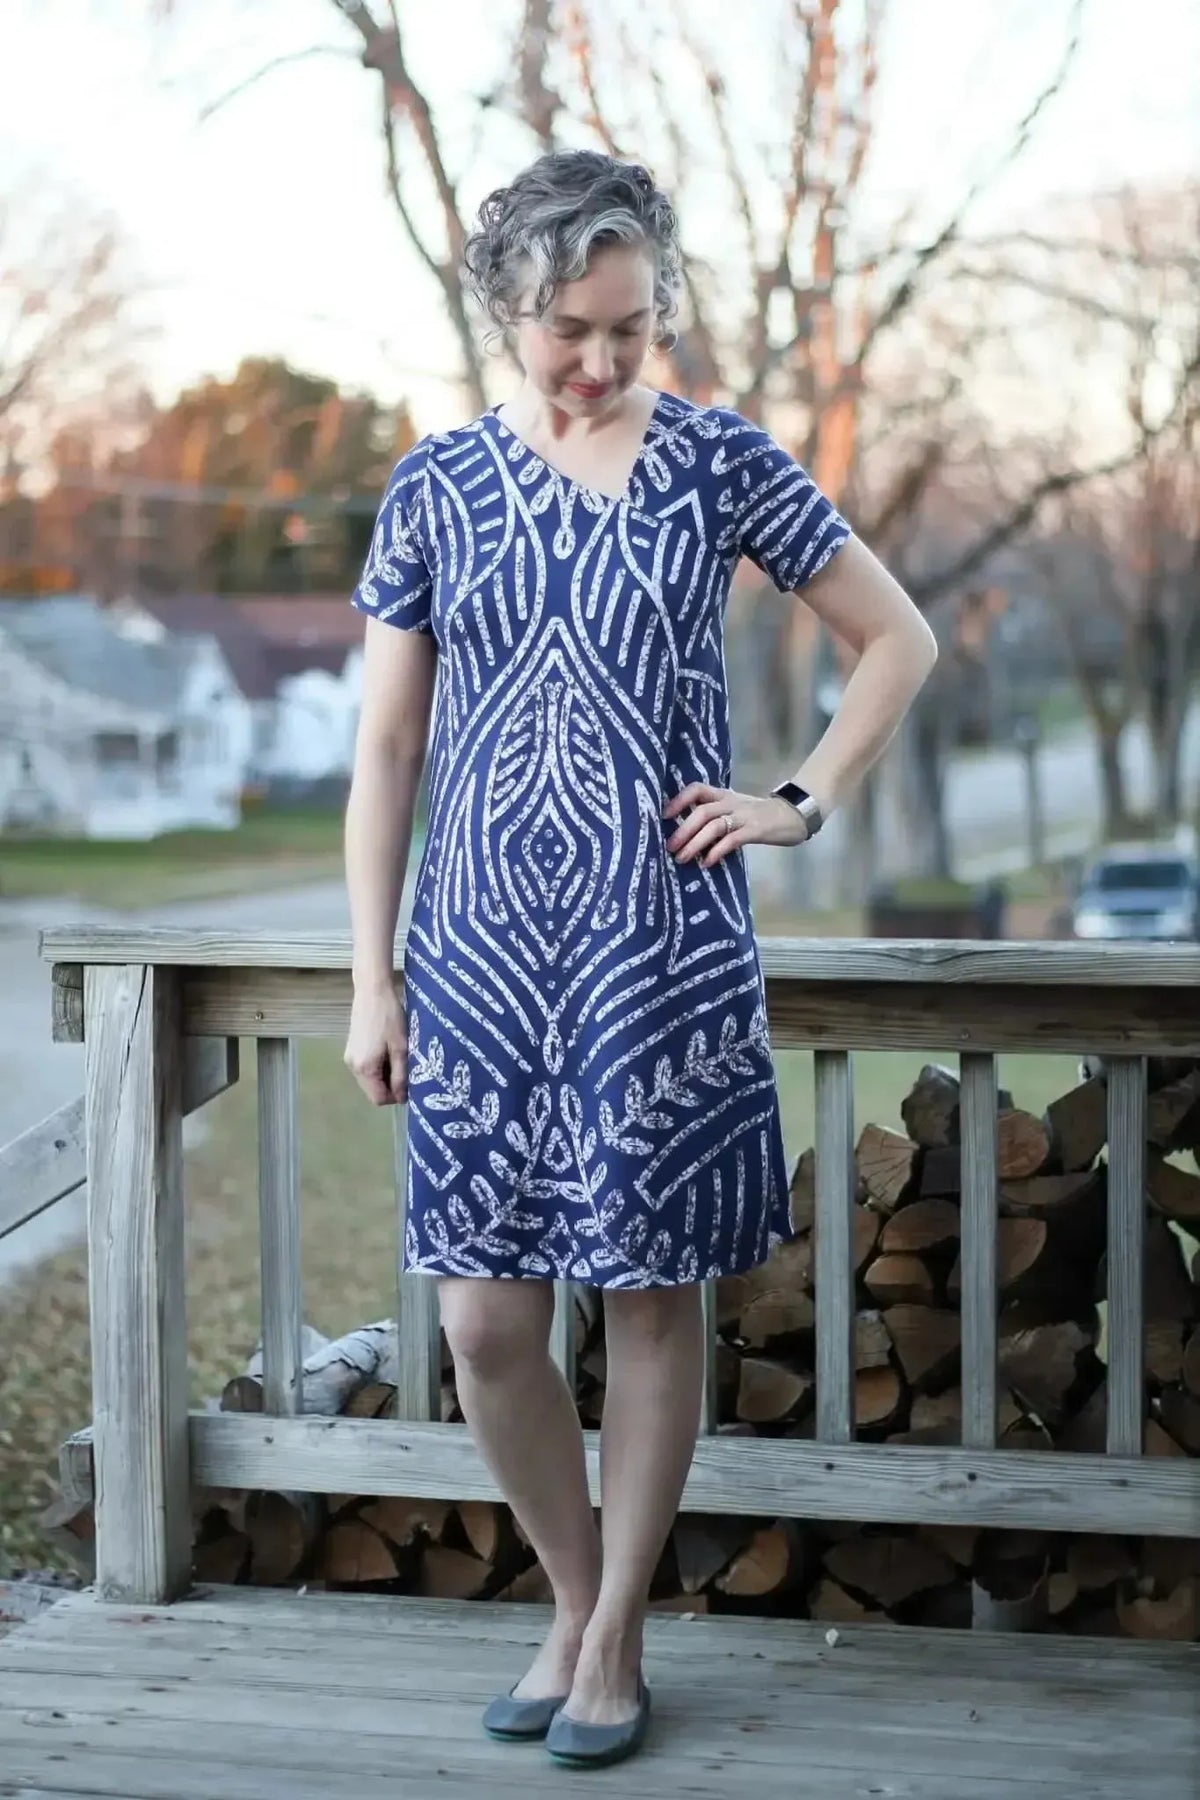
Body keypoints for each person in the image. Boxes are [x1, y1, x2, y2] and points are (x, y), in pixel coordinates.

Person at [343, 148, 937, 1770]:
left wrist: (799, 802)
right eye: (568, 332)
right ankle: (573, 1588)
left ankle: (610, 1639)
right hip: (471, 961)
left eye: (629, 327)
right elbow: (386, 754)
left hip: (659, 955)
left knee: (651, 1299)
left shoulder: (722, 465)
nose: (601, 362)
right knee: (483, 1323)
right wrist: (370, 977)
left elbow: (900, 637)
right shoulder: (436, 488)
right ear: (505, 317)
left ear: (659, 309)